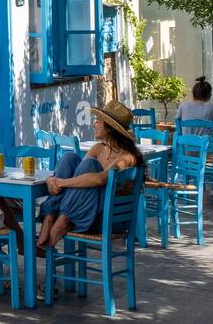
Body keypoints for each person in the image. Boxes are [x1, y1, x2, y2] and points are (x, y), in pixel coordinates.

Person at [36, 100, 145, 253]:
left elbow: (100, 179)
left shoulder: (126, 157)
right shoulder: (98, 148)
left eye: (98, 121)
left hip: (109, 219)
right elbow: (78, 177)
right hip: (86, 211)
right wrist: (51, 179)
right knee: (70, 158)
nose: (94, 124)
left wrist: (60, 182)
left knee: (89, 166)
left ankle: (60, 220)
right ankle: (50, 215)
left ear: (110, 127)